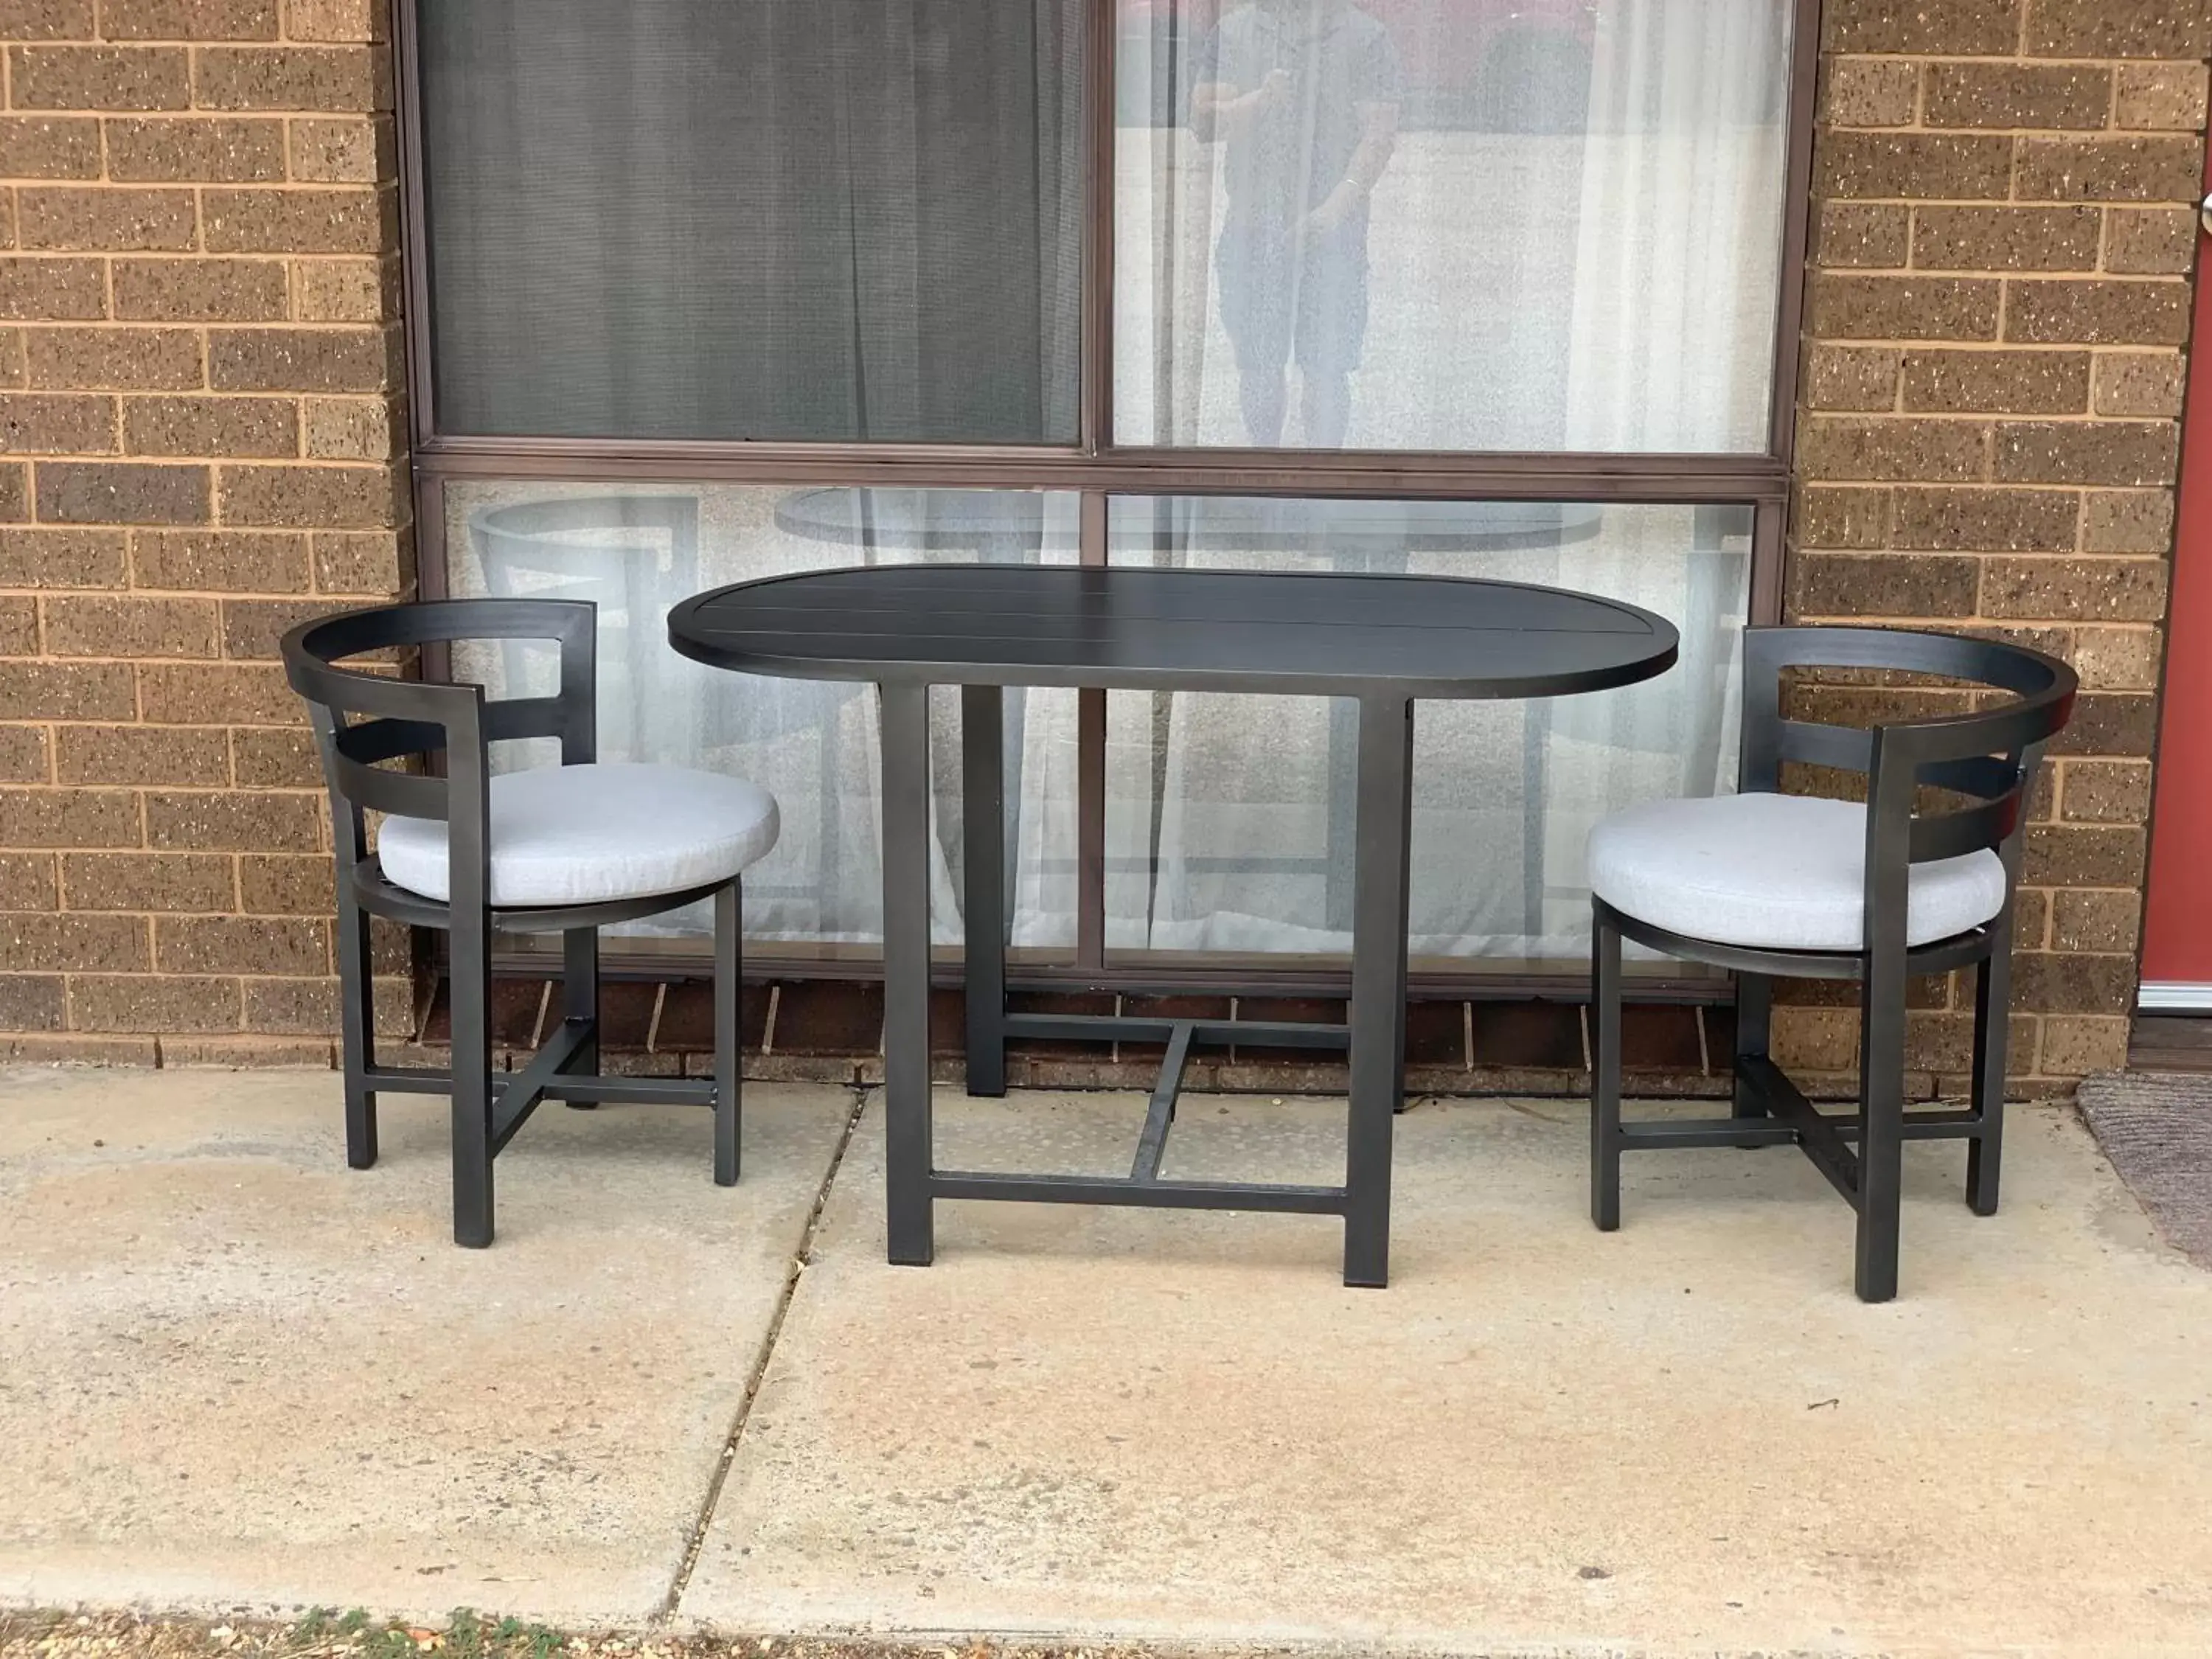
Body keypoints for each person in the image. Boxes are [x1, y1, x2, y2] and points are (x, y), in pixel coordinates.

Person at [1189, 0, 1402, 448]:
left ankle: (1321, 482)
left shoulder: (1364, 36)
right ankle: (1266, 471)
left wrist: (1333, 210)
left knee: (1327, 371)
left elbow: (1379, 135)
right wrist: (1260, 99)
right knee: (1259, 369)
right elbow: (1203, 121)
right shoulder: (1235, 33)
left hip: (1334, 238)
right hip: (1252, 232)